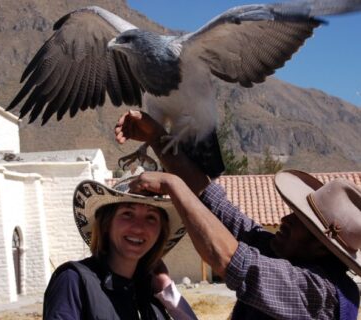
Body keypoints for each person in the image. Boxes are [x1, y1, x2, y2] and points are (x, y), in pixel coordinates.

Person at [115, 110, 361, 320]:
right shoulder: (280, 252)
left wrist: (172, 185)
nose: (285, 220)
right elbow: (210, 198)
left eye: (300, 222)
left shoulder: (319, 292)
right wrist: (157, 136)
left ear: (321, 247)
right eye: (292, 213)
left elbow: (228, 259)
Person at [43, 176, 197, 319]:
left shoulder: (150, 292)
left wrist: (167, 290)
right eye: (127, 214)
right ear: (105, 224)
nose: (138, 228)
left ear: (160, 233)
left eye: (151, 217)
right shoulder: (73, 280)